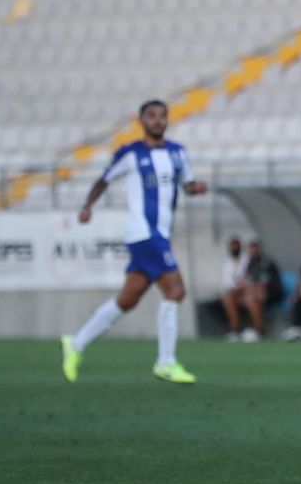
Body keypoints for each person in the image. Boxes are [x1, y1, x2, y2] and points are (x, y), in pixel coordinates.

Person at [61, 100, 208, 385]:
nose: (158, 121)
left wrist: (196, 188)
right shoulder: (130, 153)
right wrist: (87, 205)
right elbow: (103, 180)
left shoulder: (178, 153)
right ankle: (166, 362)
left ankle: (75, 343)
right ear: (141, 120)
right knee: (176, 291)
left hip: (159, 234)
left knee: (126, 300)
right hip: (144, 232)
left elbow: (186, 185)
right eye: (152, 116)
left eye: (162, 116)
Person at [220, 235, 264, 341]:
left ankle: (258, 329)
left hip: (250, 291)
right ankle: (235, 330)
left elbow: (252, 279)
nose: (234, 249)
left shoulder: (248, 260)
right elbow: (227, 282)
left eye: (236, 246)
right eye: (232, 247)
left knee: (251, 299)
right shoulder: (227, 263)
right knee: (228, 299)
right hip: (236, 291)